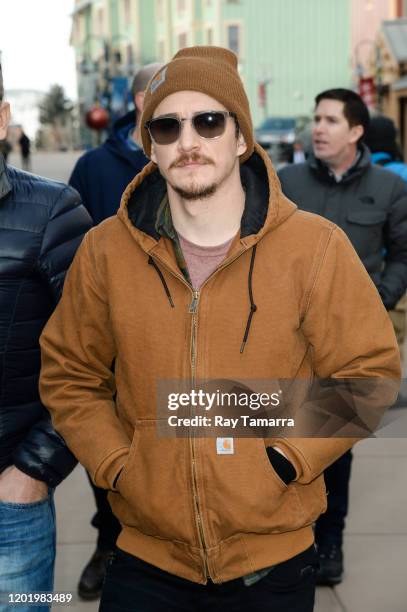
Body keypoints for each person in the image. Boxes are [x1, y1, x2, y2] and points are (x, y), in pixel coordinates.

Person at [39, 48, 399, 612]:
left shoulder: (316, 247)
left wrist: (280, 458)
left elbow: (369, 376)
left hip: (272, 565)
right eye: (167, 125)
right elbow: (69, 373)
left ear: (239, 139)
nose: (188, 141)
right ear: (150, 146)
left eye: (208, 121)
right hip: (144, 558)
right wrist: (118, 464)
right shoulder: (105, 250)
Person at [278, 89, 407, 586]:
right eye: (315, 118)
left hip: (345, 347)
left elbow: (403, 252)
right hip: (285, 340)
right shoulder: (285, 182)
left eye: (331, 120)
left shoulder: (388, 189)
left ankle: (329, 543)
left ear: (356, 131)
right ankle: (288, 538)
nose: (319, 128)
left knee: (334, 446)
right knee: (275, 438)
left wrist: (380, 296)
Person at [69, 61, 162, 601]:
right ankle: (110, 545)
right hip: (111, 344)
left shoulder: (204, 161)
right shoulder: (95, 166)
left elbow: (357, 386)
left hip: (178, 344)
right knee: (110, 452)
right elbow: (74, 255)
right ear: (141, 98)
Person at [0, 64, 92, 608]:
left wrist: (35, 470)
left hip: (10, 502)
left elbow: (96, 354)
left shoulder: (51, 210)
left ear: (3, 119)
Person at [69, 62, 163, 225]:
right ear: (143, 101)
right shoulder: (90, 166)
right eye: (171, 93)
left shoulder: (187, 160)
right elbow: (73, 238)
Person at [365, 115, 407, 368]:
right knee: (396, 323)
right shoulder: (403, 173)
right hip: (399, 263)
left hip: (370, 262)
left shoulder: (362, 173)